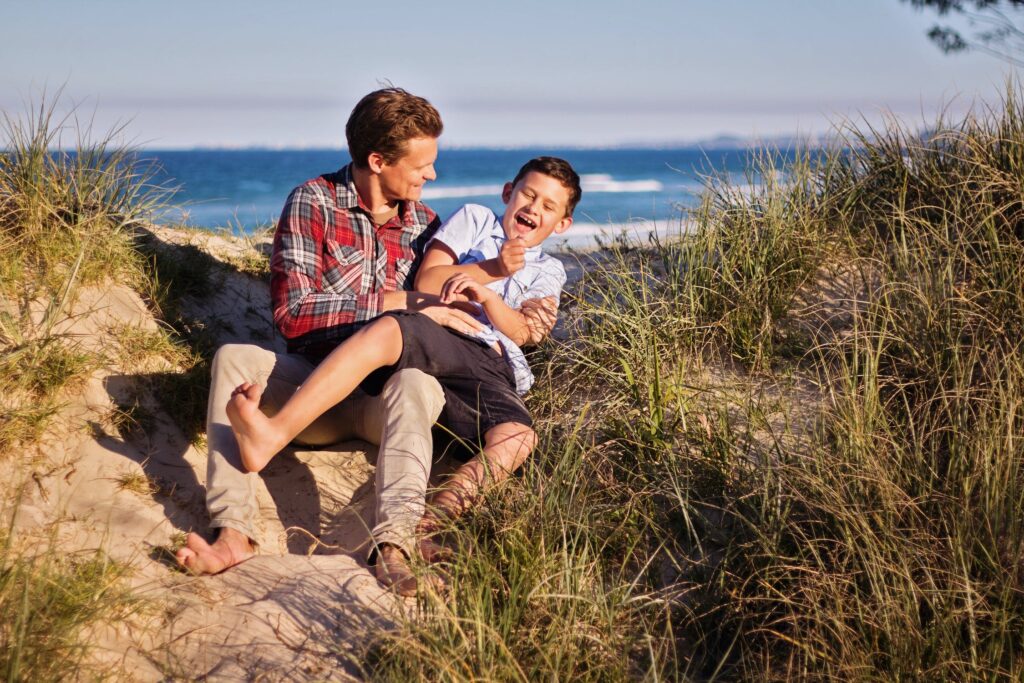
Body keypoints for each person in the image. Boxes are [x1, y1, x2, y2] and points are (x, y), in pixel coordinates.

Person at [174, 88, 558, 597]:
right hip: (315, 388)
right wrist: (397, 303)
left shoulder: (425, 226)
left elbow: (447, 314)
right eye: (422, 165)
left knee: (417, 384)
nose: (431, 176)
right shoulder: (313, 202)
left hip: (384, 402)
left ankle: (393, 547)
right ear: (378, 161)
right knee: (233, 358)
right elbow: (293, 315)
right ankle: (233, 532)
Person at [225, 158, 580, 579]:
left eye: (549, 206)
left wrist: (489, 298)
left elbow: (527, 331)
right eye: (529, 194)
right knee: (390, 329)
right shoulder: (476, 220)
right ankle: (276, 431)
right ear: (508, 192)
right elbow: (427, 283)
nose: (534, 208)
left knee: (518, 437)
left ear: (561, 224)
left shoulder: (549, 270)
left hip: (492, 361)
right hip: (442, 334)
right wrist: (493, 269)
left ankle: (436, 519)